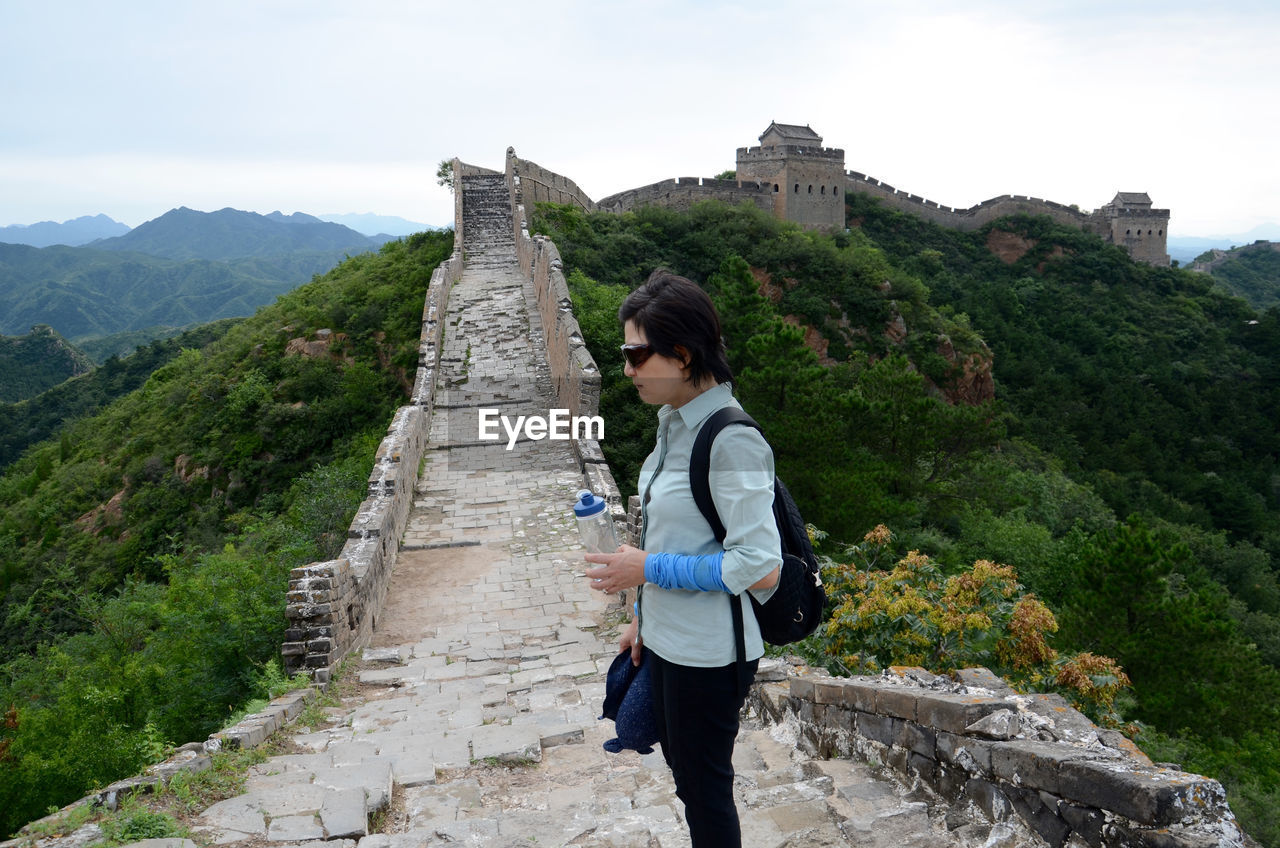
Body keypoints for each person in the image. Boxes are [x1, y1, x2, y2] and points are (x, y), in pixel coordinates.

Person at [585, 269, 781, 848]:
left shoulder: (732, 439)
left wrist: (646, 569)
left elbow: (757, 562)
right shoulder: (674, 426)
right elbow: (680, 540)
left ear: (683, 353)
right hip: (669, 643)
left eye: (636, 353)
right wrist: (644, 618)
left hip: (710, 656)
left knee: (705, 792)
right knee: (685, 779)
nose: (626, 369)